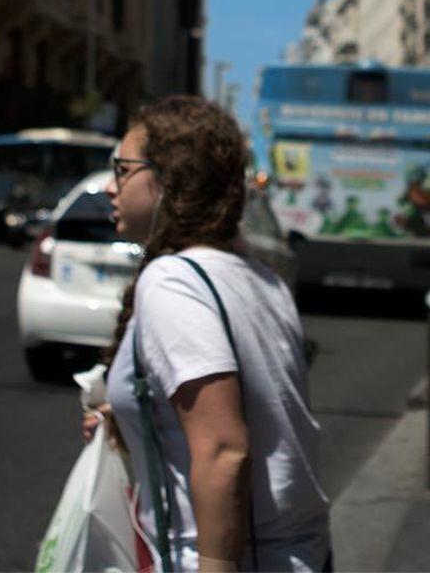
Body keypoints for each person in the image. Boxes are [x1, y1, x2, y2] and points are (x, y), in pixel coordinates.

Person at [94, 96, 330, 571]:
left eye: (122, 169)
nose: (108, 187)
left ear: (167, 180)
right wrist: (128, 416)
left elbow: (223, 449)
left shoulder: (173, 280)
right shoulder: (257, 276)